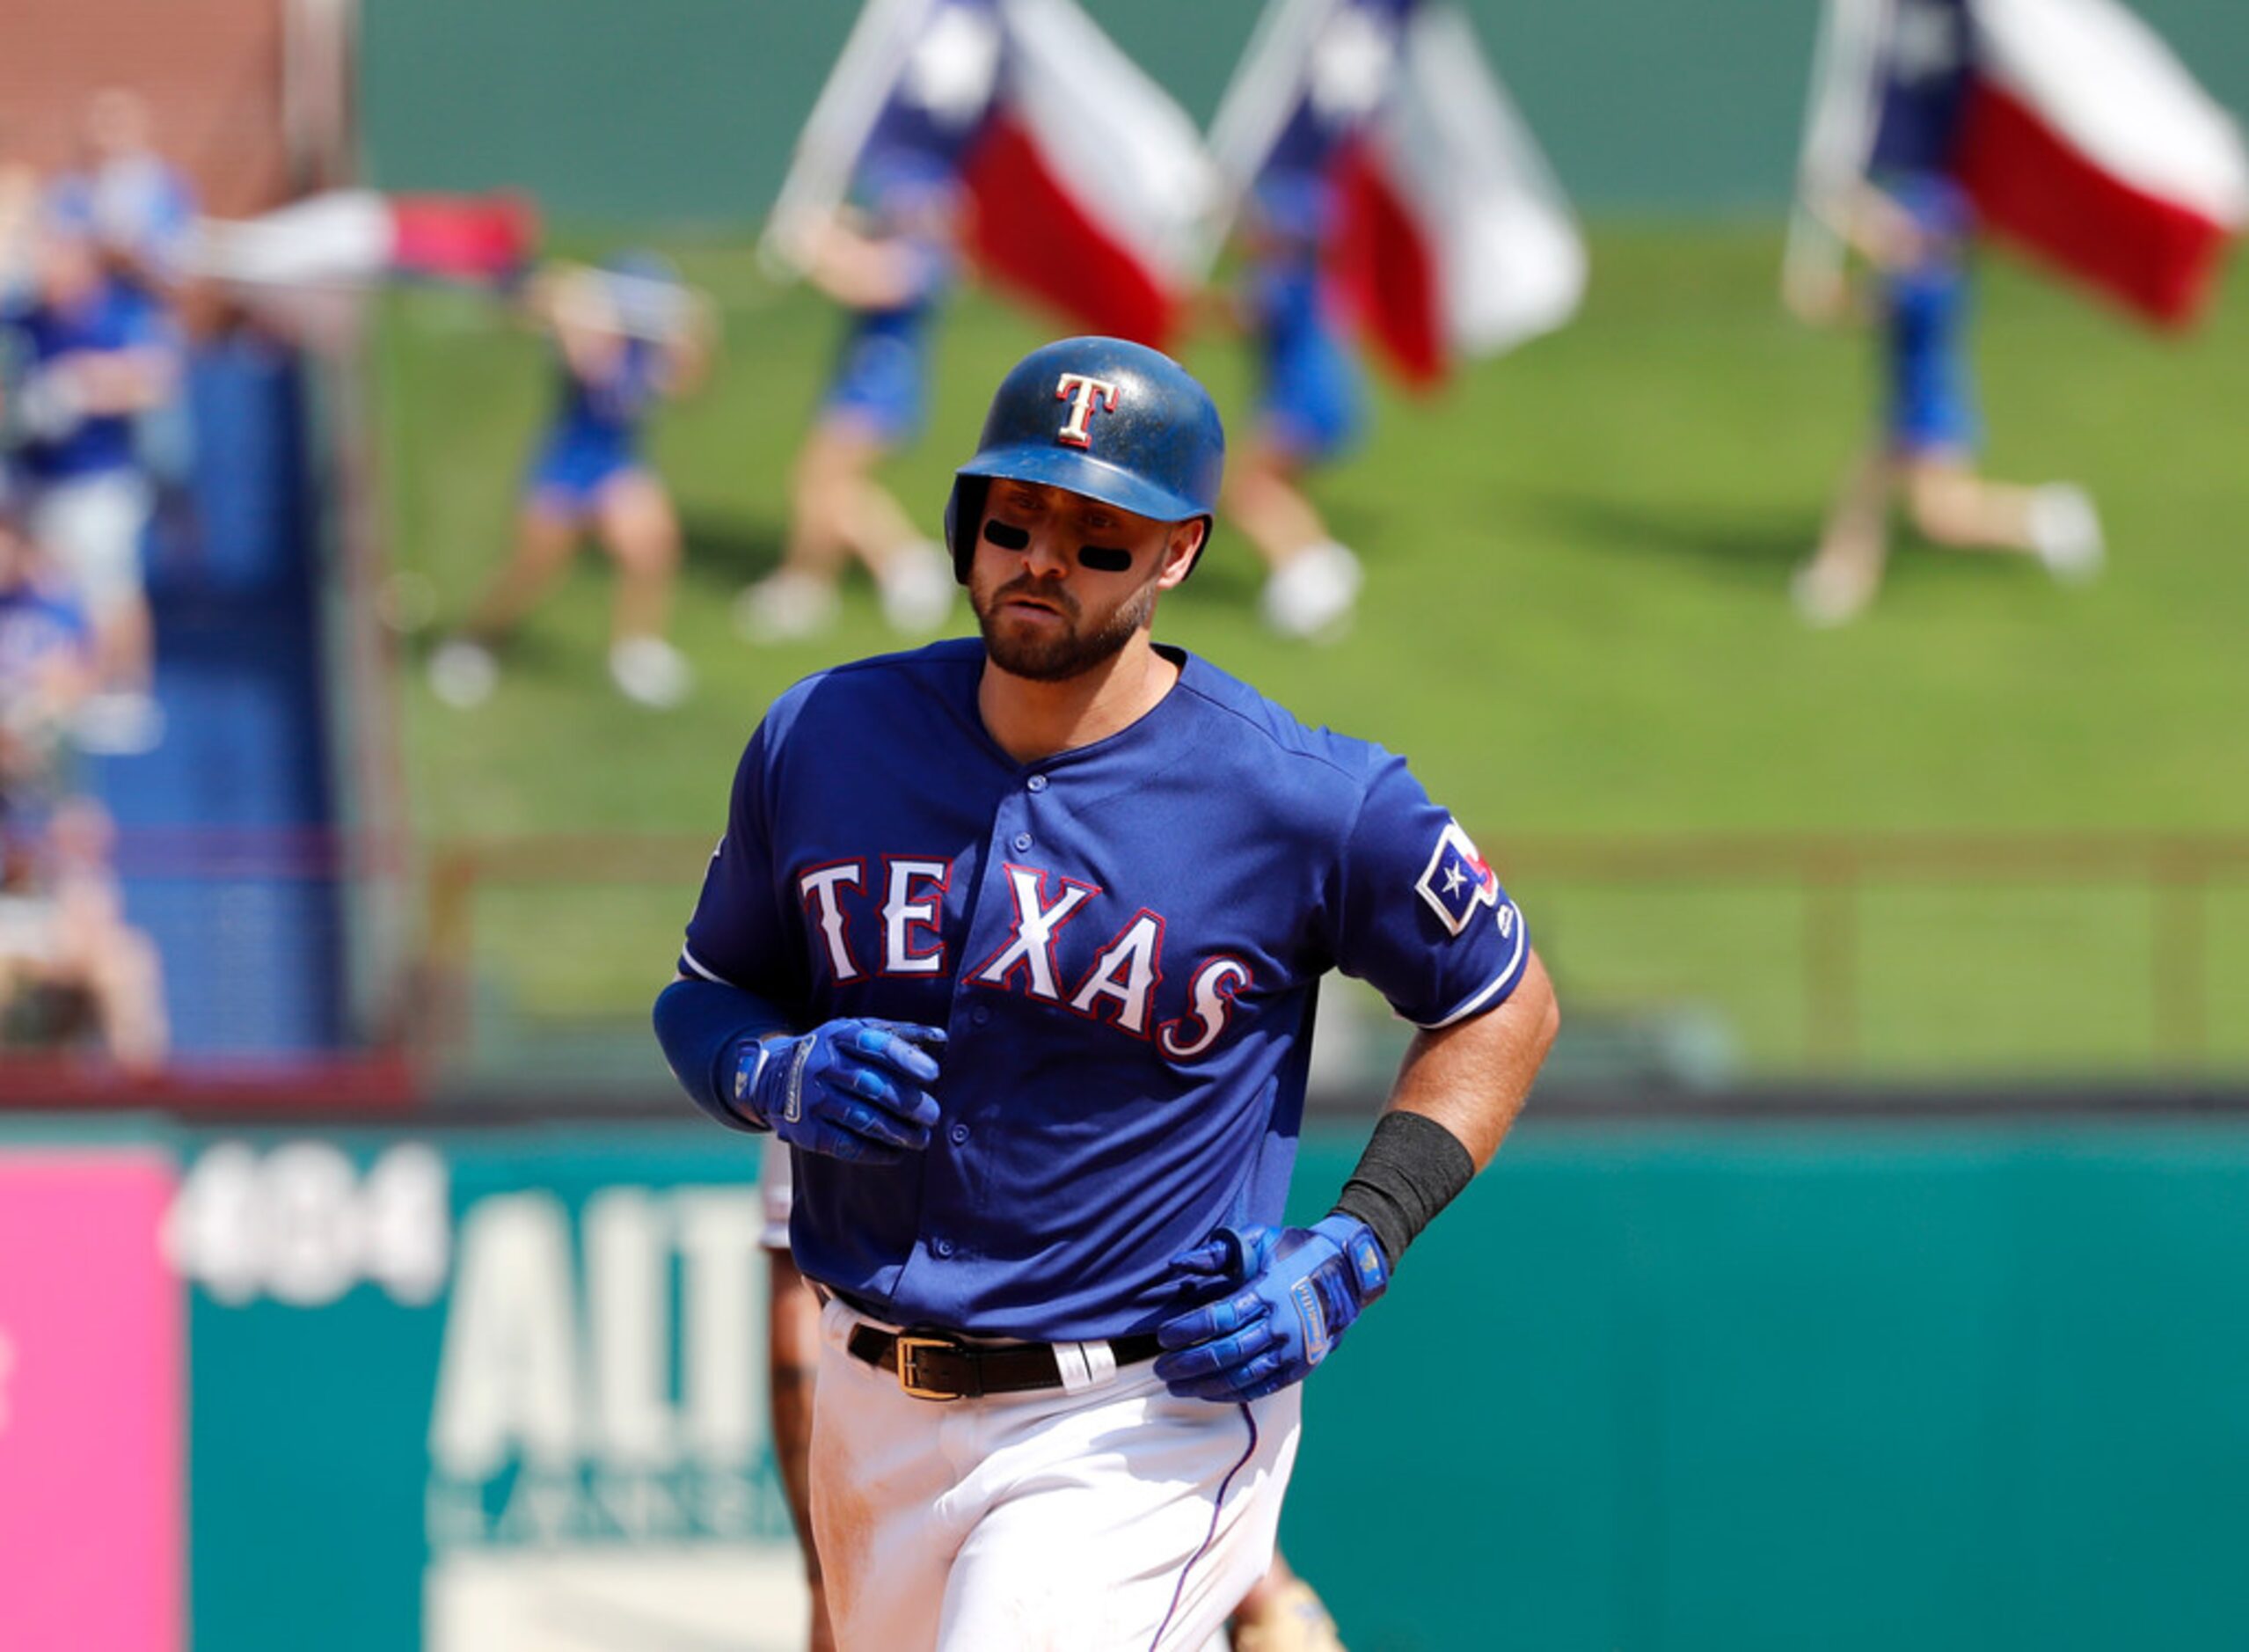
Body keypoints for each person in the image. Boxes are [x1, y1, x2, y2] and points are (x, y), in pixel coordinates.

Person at [655, 335, 1558, 1650]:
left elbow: (1501, 1000)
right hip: (871, 1406)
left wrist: (1360, 1242)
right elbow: (707, 993)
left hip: (1136, 1413)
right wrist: (766, 1072)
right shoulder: (822, 736)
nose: (1044, 559)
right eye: (1015, 519)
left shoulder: (1302, 798)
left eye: (1098, 536)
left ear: (1178, 553)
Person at [759, 1141, 1344, 1652]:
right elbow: (799, 1311)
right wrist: (822, 1576)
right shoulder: (843, 1039)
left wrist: (1264, 1585)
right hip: (881, 1420)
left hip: (1115, 1426)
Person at [1789, 172, 2105, 625]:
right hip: (1910, 411)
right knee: (1864, 493)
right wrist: (1843, 199)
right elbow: (1884, 232)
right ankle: (1842, 578)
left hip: (1928, 417)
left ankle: (2045, 518)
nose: (1902, 235)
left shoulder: (1926, 288)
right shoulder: (1928, 272)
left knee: (1942, 519)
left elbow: (1855, 295)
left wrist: (1817, 279)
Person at [428, 253, 712, 709]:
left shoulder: (650, 351)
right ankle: (475, 642)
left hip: (618, 464)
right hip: (566, 465)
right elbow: (586, 362)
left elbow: (686, 388)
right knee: (533, 569)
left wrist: (694, 337)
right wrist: (578, 307)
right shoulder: (583, 331)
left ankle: (636, 652)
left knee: (651, 550)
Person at [736, 157, 961, 645]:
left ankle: (828, 582)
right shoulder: (899, 243)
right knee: (830, 484)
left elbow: (867, 284)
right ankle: (862, 572)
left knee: (825, 481)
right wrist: (817, 219)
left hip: (881, 388)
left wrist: (810, 251)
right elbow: (856, 238)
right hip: (858, 383)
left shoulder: (927, 259)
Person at [1, 208, 179, 752]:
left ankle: (125, 688)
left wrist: (84, 386)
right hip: (35, 476)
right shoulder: (25, 319)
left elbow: (157, 378)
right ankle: (59, 687)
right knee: (44, 580)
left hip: (97, 477)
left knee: (109, 585)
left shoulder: (118, 312)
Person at [1222, 167, 1368, 644]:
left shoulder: (1282, 278)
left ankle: (1302, 578)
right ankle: (1321, 561)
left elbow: (1241, 317)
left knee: (1246, 489)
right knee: (1275, 487)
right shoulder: (1312, 279)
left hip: (1301, 403)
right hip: (1326, 400)